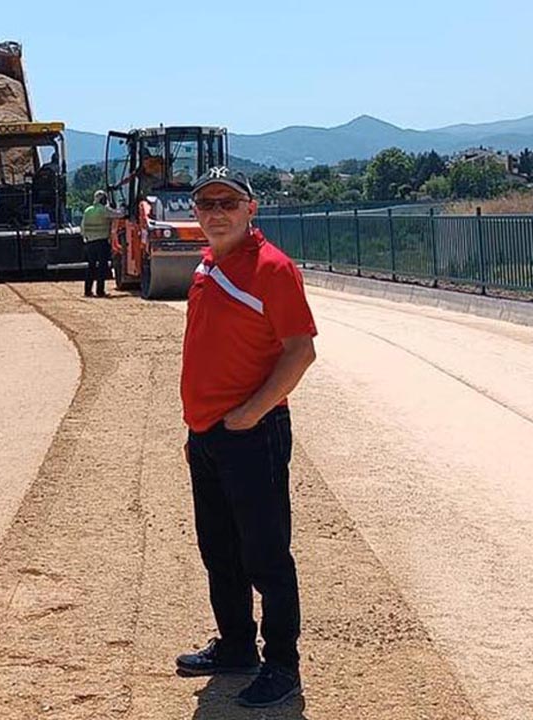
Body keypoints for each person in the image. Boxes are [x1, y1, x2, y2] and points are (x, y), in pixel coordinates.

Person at [175, 167, 317, 709]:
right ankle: (236, 645)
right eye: (206, 202)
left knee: (265, 553)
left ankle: (282, 663)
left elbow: (300, 350)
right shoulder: (209, 265)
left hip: (251, 432)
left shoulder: (273, 269)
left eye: (228, 202)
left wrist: (252, 413)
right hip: (208, 433)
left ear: (250, 209)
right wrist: (201, 427)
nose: (216, 211)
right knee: (220, 550)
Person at [79, 189, 122, 297]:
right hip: (101, 242)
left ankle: (87, 291)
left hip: (89, 243)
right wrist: (123, 209)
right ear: (103, 199)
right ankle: (100, 291)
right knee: (102, 267)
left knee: (91, 267)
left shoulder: (88, 210)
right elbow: (118, 215)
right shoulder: (104, 210)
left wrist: (87, 238)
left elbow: (82, 228)